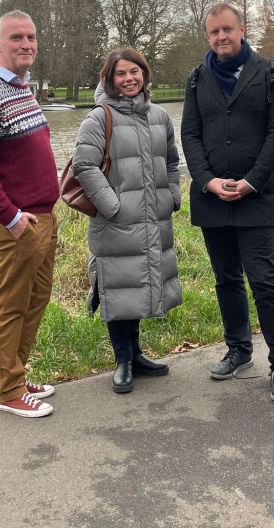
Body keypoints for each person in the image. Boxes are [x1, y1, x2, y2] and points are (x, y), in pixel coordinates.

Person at [180, 2, 274, 402]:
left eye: (227, 29)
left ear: (241, 29)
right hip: (213, 197)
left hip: (256, 195)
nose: (221, 38)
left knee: (263, 279)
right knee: (226, 278)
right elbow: (190, 136)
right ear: (207, 35)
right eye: (214, 32)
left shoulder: (270, 73)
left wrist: (251, 181)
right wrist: (208, 181)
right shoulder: (197, 79)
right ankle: (239, 349)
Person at [0, 10, 59, 418]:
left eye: (31, 37)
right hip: (19, 224)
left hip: (43, 217)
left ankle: (15, 374)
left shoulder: (23, 89)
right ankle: (7, 390)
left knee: (35, 300)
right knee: (11, 304)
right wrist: (11, 217)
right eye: (16, 37)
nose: (26, 44)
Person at [72, 47, 182, 393]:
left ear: (144, 74)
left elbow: (173, 162)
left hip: (153, 218)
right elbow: (84, 166)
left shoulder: (160, 117)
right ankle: (122, 360)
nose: (129, 78)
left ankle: (136, 354)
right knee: (118, 287)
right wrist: (113, 207)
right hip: (116, 222)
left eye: (134, 71)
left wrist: (173, 196)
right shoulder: (98, 117)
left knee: (140, 283)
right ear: (110, 79)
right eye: (121, 73)